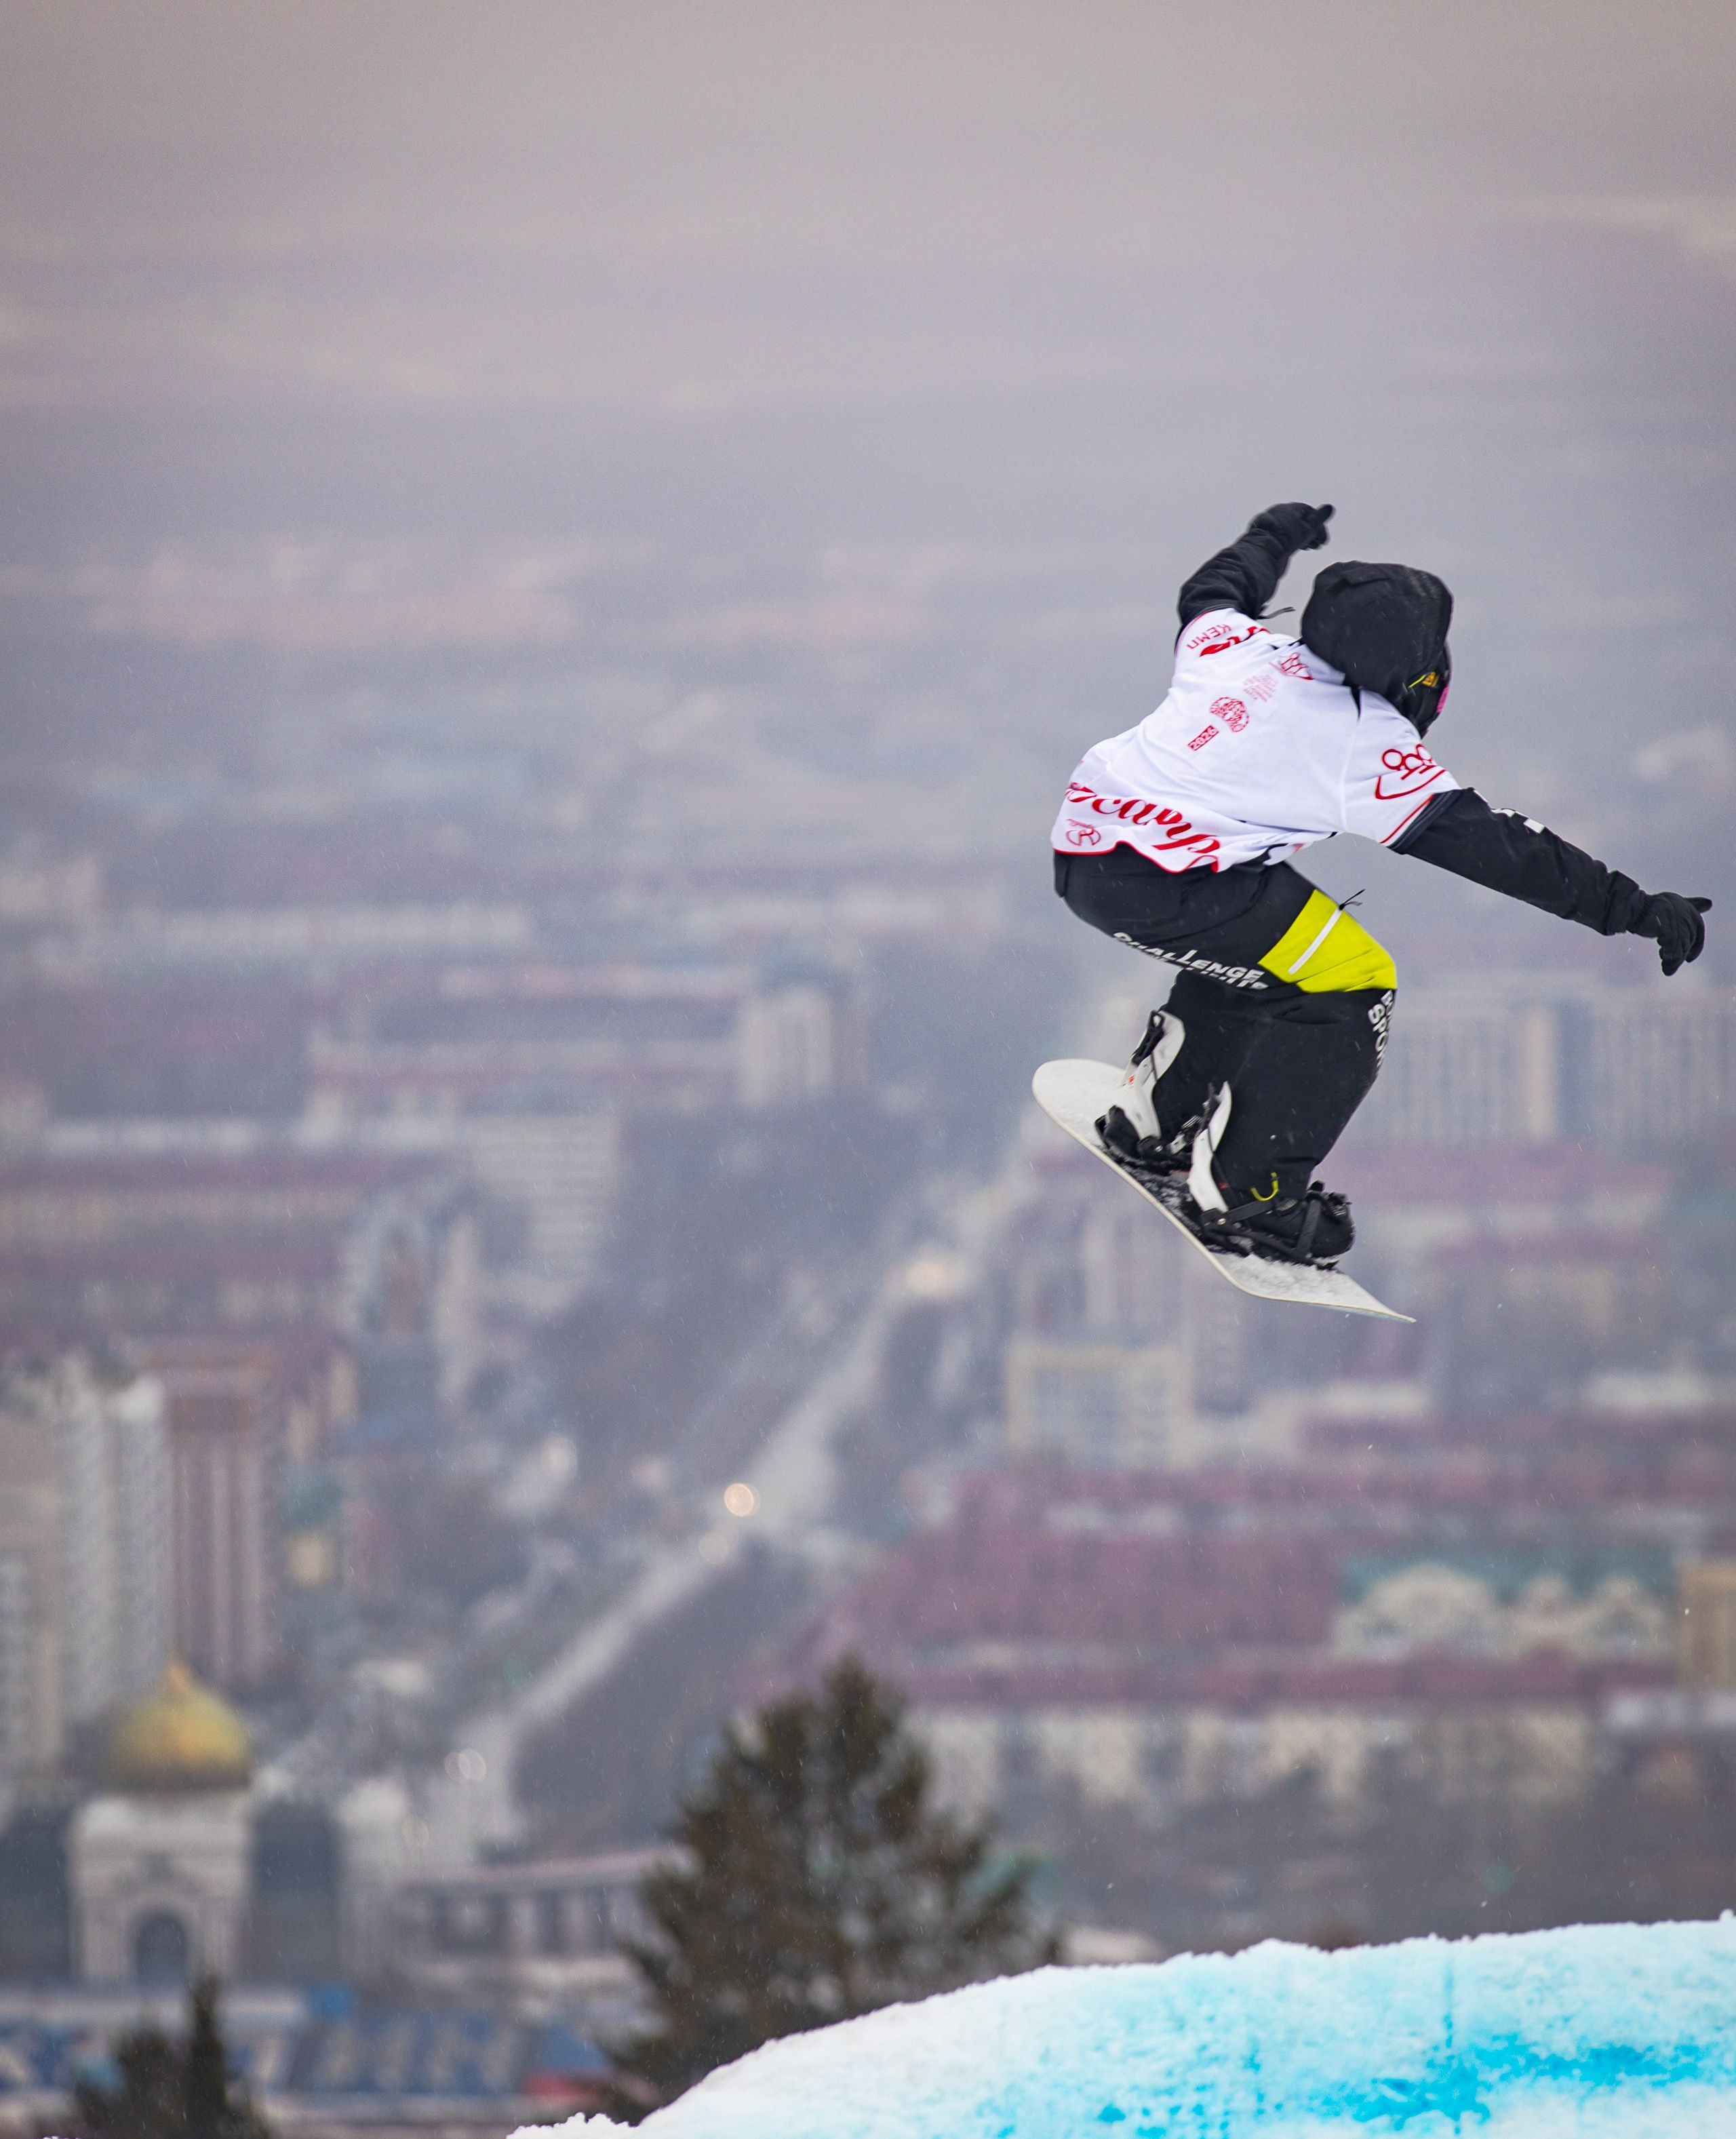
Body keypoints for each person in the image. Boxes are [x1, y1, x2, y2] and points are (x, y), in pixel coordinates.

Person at [1050, 502, 1712, 1268]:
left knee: (1271, 956)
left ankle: (1156, 1121)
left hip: (1089, 849)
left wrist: (1274, 535)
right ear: (1415, 677)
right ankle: (1248, 1193)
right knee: (1353, 981)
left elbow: (1215, 588)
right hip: (1167, 883)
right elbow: (1505, 851)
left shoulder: (1238, 648)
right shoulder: (1365, 742)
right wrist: (1635, 909)